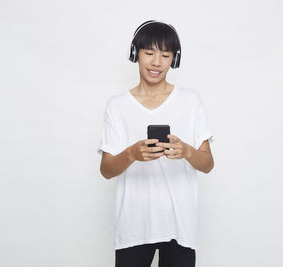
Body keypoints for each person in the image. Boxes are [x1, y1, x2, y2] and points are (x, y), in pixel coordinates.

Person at [98, 20, 214, 267]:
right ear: (135, 54)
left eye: (165, 55)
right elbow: (106, 170)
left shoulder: (191, 101)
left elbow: (207, 164)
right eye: (149, 53)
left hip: (179, 226)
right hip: (133, 228)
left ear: (174, 59)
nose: (156, 62)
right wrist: (131, 154)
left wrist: (187, 151)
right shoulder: (117, 106)